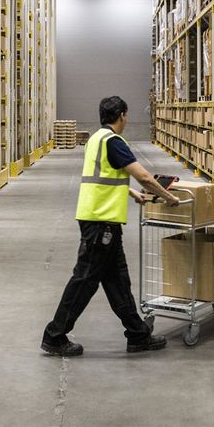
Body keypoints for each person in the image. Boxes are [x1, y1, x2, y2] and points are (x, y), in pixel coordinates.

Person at [41, 96, 181, 357]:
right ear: (123, 116)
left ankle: (137, 334)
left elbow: (105, 175)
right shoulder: (115, 141)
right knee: (84, 280)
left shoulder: (96, 138)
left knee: (117, 279)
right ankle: (54, 336)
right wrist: (168, 197)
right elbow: (144, 176)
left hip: (101, 219)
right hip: (101, 222)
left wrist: (131, 194)